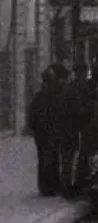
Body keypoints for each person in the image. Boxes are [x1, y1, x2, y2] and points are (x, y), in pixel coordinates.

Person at [28, 66, 67, 196]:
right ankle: (50, 187)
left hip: (44, 134)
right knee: (51, 159)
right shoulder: (51, 96)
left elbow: (32, 116)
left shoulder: (40, 96)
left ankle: (48, 186)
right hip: (48, 133)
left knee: (46, 159)